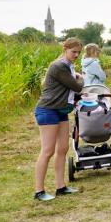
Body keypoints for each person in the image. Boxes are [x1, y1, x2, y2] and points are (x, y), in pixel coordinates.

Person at [33, 37, 85, 201]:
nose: (76, 55)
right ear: (65, 49)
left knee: (62, 148)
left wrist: (76, 76)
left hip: (61, 110)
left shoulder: (68, 66)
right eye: (73, 51)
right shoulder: (59, 66)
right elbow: (77, 86)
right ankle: (39, 191)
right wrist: (80, 77)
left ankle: (61, 187)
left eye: (78, 52)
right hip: (48, 110)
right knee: (47, 151)